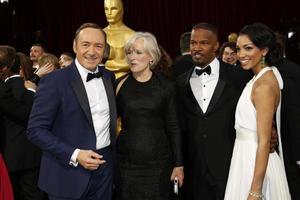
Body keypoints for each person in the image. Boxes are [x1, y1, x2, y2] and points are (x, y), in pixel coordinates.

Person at [27, 22, 117, 200]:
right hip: (66, 173)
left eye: (98, 46)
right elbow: (35, 130)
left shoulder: (108, 77)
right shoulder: (54, 81)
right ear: (75, 46)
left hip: (104, 171)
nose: (92, 51)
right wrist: (75, 154)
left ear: (104, 49)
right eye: (85, 44)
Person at [176, 23, 252, 200]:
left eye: (203, 43)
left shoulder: (238, 77)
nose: (196, 48)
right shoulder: (180, 82)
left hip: (230, 165)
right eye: (193, 43)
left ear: (216, 45)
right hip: (195, 169)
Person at [224, 23, 291, 200]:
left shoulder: (264, 85)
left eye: (248, 48)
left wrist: (255, 191)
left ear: (264, 50)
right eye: (238, 49)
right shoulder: (258, 79)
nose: (241, 55)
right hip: (245, 159)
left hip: (256, 164)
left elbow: (264, 141)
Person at [115, 32, 184, 200]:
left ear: (151, 57)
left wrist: (179, 164)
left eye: (138, 52)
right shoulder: (120, 85)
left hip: (158, 165)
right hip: (126, 163)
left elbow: (174, 126)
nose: (132, 57)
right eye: (130, 52)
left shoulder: (167, 86)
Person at [103, 0, 135, 78]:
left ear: (122, 10)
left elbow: (139, 62)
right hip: (102, 82)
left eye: (113, 9)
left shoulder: (131, 35)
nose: (109, 13)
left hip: (126, 81)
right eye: (106, 9)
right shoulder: (99, 34)